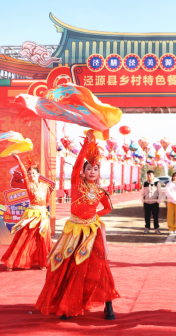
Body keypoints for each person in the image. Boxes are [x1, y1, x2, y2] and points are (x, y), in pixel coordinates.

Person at [36, 131, 119, 320]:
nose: (92, 171)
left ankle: (108, 304)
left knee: (99, 267)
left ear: (99, 173)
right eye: (89, 168)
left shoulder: (100, 192)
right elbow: (76, 166)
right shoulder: (76, 184)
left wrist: (93, 216)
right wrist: (86, 145)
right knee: (70, 267)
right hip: (73, 231)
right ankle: (67, 304)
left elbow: (107, 208)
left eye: (96, 169)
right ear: (83, 171)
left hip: (92, 232)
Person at [1, 154, 54, 271]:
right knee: (25, 238)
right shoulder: (28, 185)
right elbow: (23, 173)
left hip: (42, 215)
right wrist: (19, 160)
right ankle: (12, 262)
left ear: (38, 175)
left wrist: (42, 210)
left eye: (33, 173)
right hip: (31, 215)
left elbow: (48, 200)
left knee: (43, 239)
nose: (31, 175)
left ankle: (43, 262)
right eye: (29, 174)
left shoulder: (45, 187)